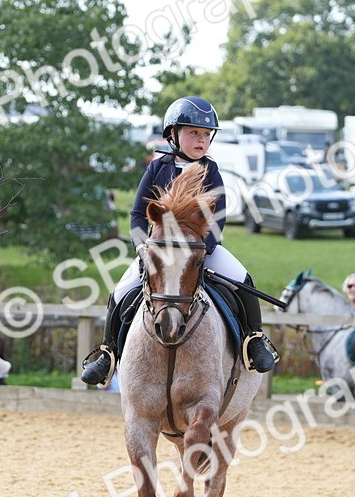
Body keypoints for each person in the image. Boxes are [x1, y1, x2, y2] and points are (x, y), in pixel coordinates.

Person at [79, 96, 278, 386]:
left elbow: (217, 219)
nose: (201, 140)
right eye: (193, 133)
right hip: (158, 252)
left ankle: (255, 340)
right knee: (122, 290)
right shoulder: (158, 167)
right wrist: (141, 246)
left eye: (206, 135)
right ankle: (108, 352)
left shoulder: (211, 171)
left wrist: (201, 250)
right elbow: (137, 213)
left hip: (200, 251)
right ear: (173, 135)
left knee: (242, 278)